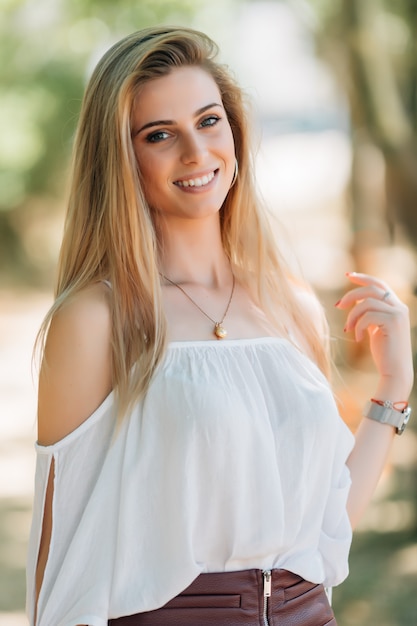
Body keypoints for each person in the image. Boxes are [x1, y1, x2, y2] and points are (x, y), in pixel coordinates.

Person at [26, 26, 414, 626]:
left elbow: (324, 519)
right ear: (124, 158)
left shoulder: (289, 304)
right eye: (160, 135)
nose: (196, 152)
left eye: (209, 121)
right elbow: (62, 562)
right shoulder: (97, 319)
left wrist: (393, 387)